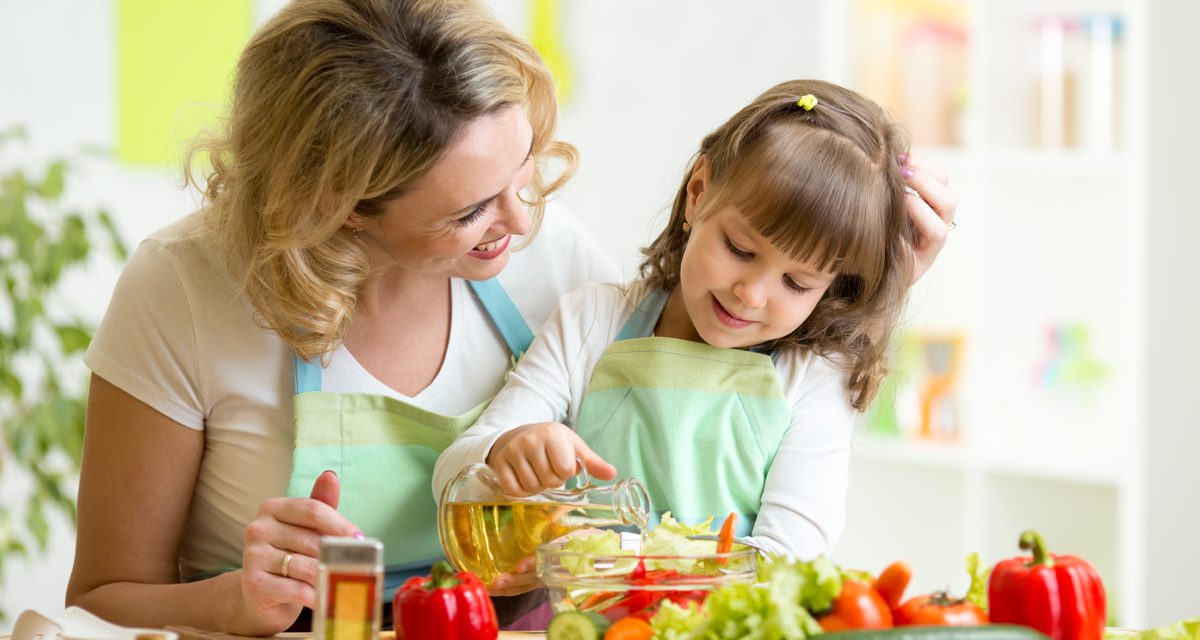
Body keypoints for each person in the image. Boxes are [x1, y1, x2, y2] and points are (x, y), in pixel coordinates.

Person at [66, 0, 955, 635]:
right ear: (343, 207)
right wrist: (233, 605)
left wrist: (872, 288)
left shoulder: (551, 260)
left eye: (524, 173)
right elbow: (100, 598)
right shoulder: (184, 289)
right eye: (470, 213)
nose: (523, 222)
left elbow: (712, 387)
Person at [434, 79, 938, 561]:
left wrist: (647, 570)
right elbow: (452, 476)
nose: (751, 294)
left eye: (797, 283)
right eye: (740, 249)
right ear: (698, 192)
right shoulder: (592, 321)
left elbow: (791, 559)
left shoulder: (814, 376)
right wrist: (505, 449)